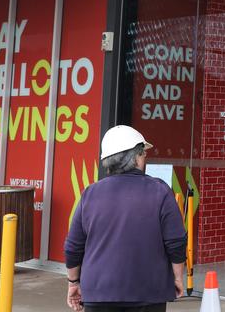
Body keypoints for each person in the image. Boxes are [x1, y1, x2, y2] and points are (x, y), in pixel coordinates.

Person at [65, 125, 186, 312]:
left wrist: (73, 282)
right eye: (143, 154)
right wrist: (177, 277)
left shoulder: (90, 194)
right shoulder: (160, 191)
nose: (144, 158)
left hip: (99, 294)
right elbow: (176, 242)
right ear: (136, 157)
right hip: (148, 294)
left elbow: (73, 246)